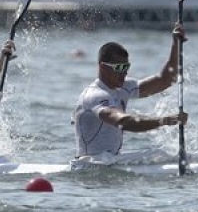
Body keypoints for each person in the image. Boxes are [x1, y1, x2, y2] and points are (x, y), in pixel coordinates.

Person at [72, 23, 189, 158]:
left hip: (111, 161)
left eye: (126, 67)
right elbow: (122, 121)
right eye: (120, 67)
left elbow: (165, 80)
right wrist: (164, 120)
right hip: (90, 166)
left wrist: (176, 45)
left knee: (166, 156)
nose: (125, 72)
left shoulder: (123, 88)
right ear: (103, 67)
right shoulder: (95, 96)